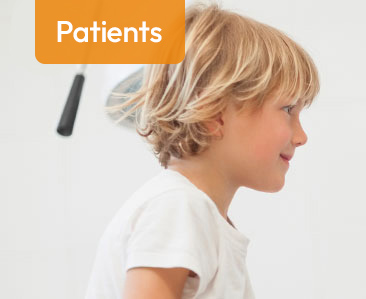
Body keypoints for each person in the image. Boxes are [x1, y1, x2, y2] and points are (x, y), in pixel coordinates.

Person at [85, 4, 320, 298]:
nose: (301, 136)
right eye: (288, 109)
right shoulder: (178, 208)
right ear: (214, 114)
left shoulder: (194, 213)